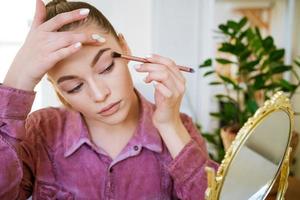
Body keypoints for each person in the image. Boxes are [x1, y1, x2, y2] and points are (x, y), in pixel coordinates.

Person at [0, 0, 218, 199]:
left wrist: (169, 126)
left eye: (106, 67)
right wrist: (17, 81)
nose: (99, 94)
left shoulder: (181, 128)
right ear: (57, 89)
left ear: (124, 47)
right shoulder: (39, 132)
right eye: (74, 87)